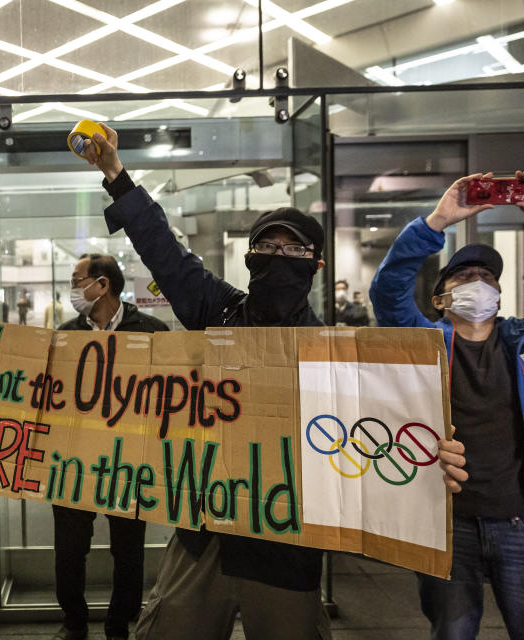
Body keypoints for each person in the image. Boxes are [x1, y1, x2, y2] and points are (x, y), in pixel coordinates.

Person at [79, 123, 467, 640]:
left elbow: (382, 437)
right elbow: (162, 251)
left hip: (288, 546)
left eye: (295, 251)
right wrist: (116, 176)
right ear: (249, 259)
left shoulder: (338, 354)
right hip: (205, 533)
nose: (279, 258)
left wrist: (431, 459)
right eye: (267, 247)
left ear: (317, 266)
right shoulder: (216, 310)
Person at [370, 165, 524, 639]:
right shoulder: (422, 343)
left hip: (523, 522)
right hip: (446, 524)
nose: (478, 280)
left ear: (500, 296)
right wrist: (435, 223)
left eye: (487, 276)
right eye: (464, 276)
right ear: (440, 300)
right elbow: (388, 291)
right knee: (451, 632)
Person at [52, 254, 168, 640]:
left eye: (77, 280)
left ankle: (119, 626)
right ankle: (74, 623)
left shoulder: (152, 332)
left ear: (102, 285)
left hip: (129, 461)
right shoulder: (66, 335)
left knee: (128, 551)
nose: (73, 289)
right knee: (69, 551)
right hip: (74, 459)